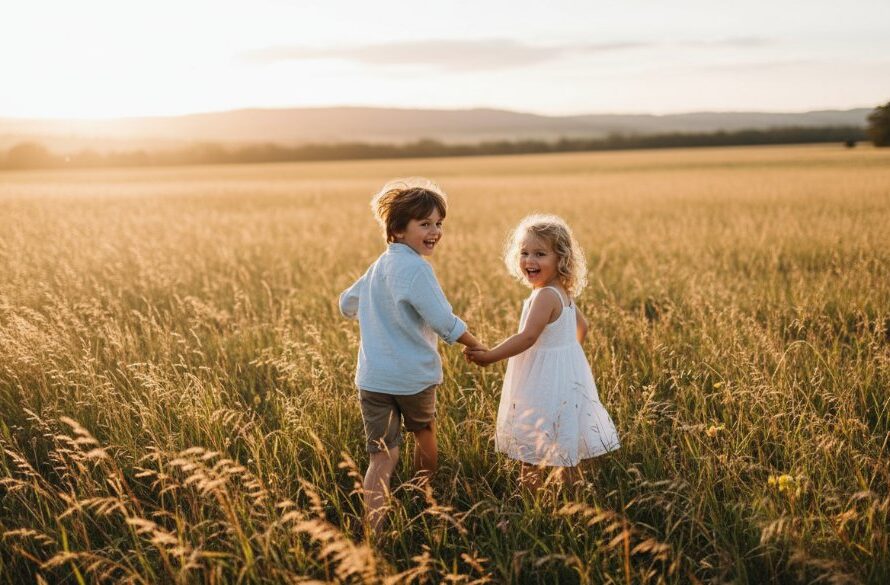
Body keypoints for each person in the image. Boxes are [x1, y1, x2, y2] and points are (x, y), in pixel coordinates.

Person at [339, 177, 485, 536]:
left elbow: (346, 304)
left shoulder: (381, 265)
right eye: (425, 224)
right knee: (424, 432)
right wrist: (475, 345)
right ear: (398, 230)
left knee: (382, 456)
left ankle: (372, 530)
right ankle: (426, 499)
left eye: (439, 224)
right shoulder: (417, 268)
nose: (435, 231)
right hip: (413, 378)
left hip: (373, 379)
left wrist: (377, 308)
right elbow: (442, 320)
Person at [466, 214, 619, 488]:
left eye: (540, 254)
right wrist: (565, 355)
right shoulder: (562, 292)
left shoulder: (544, 295)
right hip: (564, 377)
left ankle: (532, 499)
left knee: (532, 442)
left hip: (542, 382)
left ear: (560, 259)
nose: (530, 261)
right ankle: (571, 496)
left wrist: (490, 356)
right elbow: (583, 327)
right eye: (524, 253)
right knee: (565, 437)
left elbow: (527, 338)